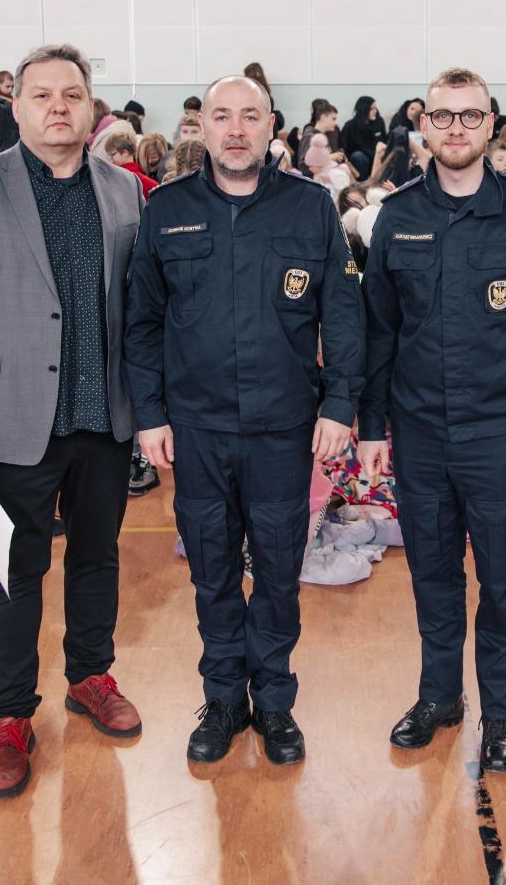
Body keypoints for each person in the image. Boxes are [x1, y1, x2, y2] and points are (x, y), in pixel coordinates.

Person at [0, 44, 144, 799]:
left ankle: (90, 675)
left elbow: (138, 307)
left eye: (72, 94)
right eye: (42, 94)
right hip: (11, 420)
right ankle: (11, 717)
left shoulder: (123, 189)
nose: (58, 107)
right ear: (15, 106)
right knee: (13, 574)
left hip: (103, 415)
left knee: (97, 557)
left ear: (91, 108)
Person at [125, 73, 363, 769]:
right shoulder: (167, 209)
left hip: (283, 428)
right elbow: (142, 322)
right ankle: (225, 699)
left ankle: (276, 701)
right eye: (222, 116)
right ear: (201, 126)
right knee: (212, 570)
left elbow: (343, 315)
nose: (235, 129)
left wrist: (339, 405)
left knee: (281, 572)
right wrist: (150, 415)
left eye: (250, 116)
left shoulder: (310, 208)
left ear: (271, 127)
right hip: (196, 429)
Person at [358, 68, 506, 772]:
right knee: (432, 575)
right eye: (443, 116)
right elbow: (379, 333)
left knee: (504, 583)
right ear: (423, 125)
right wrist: (370, 427)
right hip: (419, 435)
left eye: (470, 116)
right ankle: (440, 696)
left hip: (499, 438)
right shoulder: (396, 216)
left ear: (491, 125)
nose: (456, 128)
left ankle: (500, 716)